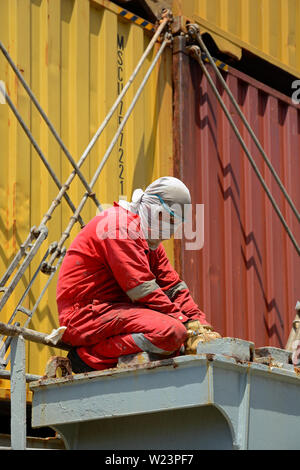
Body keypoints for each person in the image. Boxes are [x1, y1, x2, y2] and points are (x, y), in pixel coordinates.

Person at [56, 176, 221, 373]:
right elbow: (141, 288)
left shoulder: (149, 242)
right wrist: (186, 324)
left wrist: (201, 324)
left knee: (181, 339)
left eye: (176, 223)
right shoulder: (118, 227)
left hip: (114, 311)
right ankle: (89, 357)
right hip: (86, 316)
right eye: (169, 219)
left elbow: (173, 286)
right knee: (171, 333)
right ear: (153, 208)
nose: (171, 230)